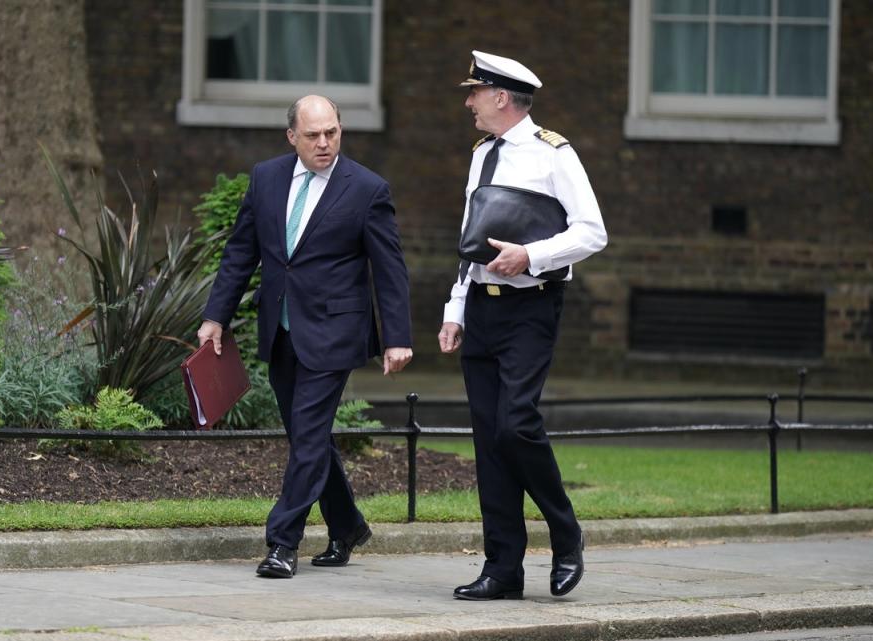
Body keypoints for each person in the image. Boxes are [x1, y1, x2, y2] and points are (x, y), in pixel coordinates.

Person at [198, 95, 413, 579]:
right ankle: (348, 525)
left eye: (332, 132)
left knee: (310, 435)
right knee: (307, 436)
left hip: (335, 331)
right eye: (313, 134)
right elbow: (240, 252)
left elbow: (390, 268)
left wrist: (396, 336)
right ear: (291, 136)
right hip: (281, 329)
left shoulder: (367, 189)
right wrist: (217, 316)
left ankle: (282, 543)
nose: (324, 143)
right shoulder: (266, 177)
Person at [438, 51, 607, 600]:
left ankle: (566, 532)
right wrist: (455, 309)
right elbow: (471, 240)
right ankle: (502, 568)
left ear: (501, 97)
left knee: (516, 425)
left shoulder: (554, 155)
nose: (469, 103)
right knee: (489, 441)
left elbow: (592, 232)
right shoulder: (481, 154)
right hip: (481, 309)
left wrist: (531, 255)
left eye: (475, 93)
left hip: (531, 308)